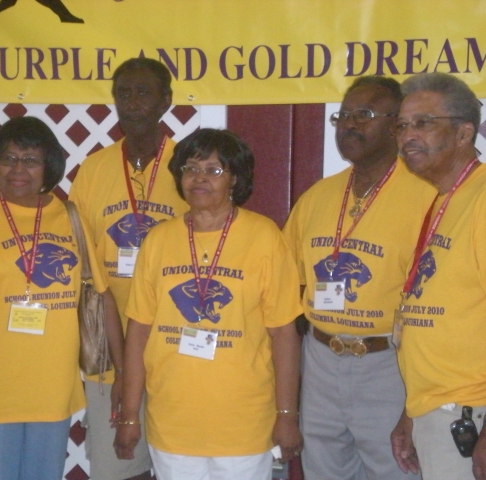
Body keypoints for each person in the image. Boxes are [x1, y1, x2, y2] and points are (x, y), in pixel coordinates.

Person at [0, 116, 124, 480]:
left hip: (52, 392)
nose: (18, 169)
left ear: (49, 165)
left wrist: (122, 375)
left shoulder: (71, 218)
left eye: (31, 159)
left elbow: (103, 296)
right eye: (8, 159)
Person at [113, 128, 303, 480]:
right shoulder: (158, 240)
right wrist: (128, 415)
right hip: (172, 422)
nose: (199, 178)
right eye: (190, 168)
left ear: (235, 179)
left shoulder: (264, 238)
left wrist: (287, 415)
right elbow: (138, 333)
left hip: (243, 424)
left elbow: (284, 336)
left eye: (214, 170)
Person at [283, 76, 435, 479]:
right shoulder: (317, 197)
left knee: (396, 468)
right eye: (343, 115)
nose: (348, 124)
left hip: (389, 365)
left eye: (363, 115)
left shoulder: (427, 197)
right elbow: (288, 283)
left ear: (396, 125)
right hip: (319, 361)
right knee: (324, 471)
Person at [69, 57, 188, 480]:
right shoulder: (94, 170)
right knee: (119, 466)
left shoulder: (188, 167)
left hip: (176, 343)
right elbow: (81, 261)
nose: (132, 103)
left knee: (182, 464)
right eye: (124, 93)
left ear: (166, 101)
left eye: (143, 92)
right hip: (109, 348)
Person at [389, 72, 486, 480]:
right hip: (437, 410)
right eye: (402, 125)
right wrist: (410, 413)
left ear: (465, 133)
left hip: (470, 414)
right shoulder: (447, 199)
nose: (408, 136)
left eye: (423, 123)